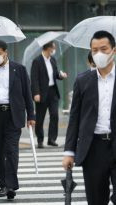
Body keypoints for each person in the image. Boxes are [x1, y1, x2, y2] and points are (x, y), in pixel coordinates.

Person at [63, 31, 116, 205]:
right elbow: (75, 118)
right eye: (95, 50)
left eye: (103, 49)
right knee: (95, 199)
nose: (99, 54)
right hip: (93, 148)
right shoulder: (82, 81)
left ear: (113, 50)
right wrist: (69, 152)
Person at [0, 40, 35, 200]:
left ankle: (11, 185)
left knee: (11, 150)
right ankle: (3, 185)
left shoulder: (19, 69)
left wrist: (31, 115)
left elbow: (27, 93)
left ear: (6, 52)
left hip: (13, 114)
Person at [30, 41, 68, 148]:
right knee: (40, 117)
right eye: (53, 47)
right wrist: (36, 93)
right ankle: (40, 140)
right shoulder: (37, 61)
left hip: (53, 92)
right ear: (48, 48)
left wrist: (61, 75)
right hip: (41, 93)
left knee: (55, 115)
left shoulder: (53, 60)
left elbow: (56, 74)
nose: (54, 50)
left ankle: (51, 139)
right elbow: (34, 79)